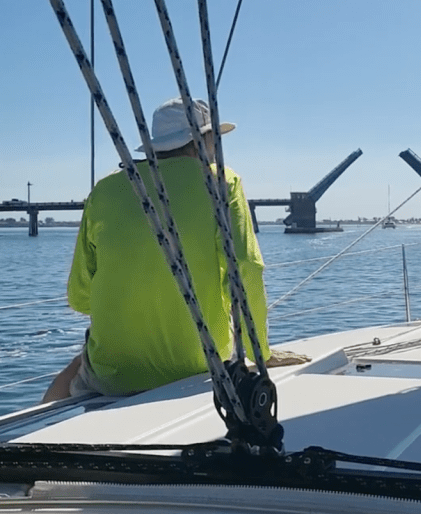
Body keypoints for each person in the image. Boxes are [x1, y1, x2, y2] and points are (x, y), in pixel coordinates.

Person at [43, 97, 278, 402]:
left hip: (114, 374)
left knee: (80, 365)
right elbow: (246, 268)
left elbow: (79, 297)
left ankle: (19, 439)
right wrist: (261, 353)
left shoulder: (104, 190)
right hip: (199, 365)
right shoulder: (223, 183)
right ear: (200, 141)